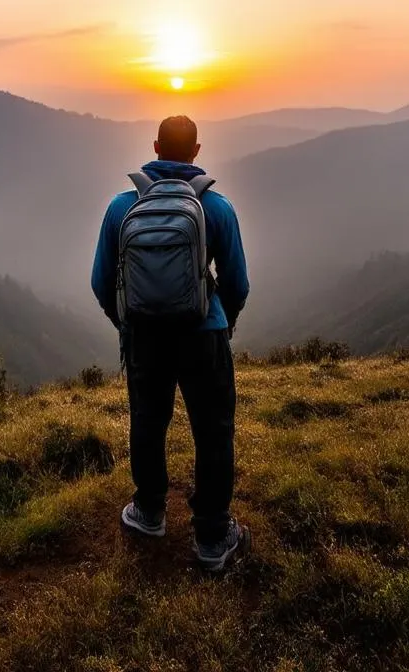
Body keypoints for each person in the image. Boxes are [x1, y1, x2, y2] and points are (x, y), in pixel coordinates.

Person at [91, 114, 250, 571]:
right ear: (197, 152)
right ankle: (213, 538)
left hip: (145, 337)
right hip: (204, 335)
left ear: (155, 146)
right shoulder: (217, 208)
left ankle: (149, 512)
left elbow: (102, 282)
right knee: (213, 431)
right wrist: (223, 322)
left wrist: (127, 324)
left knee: (148, 421)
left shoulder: (122, 207)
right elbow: (237, 284)